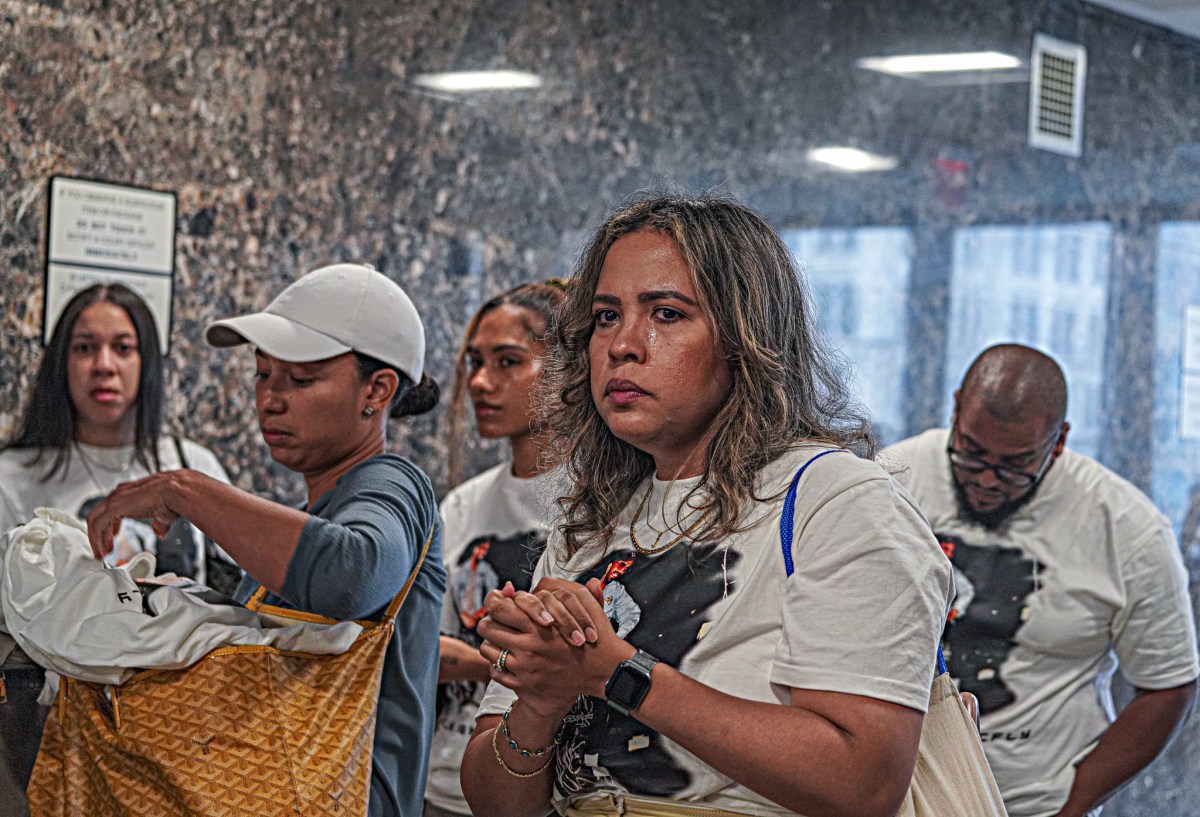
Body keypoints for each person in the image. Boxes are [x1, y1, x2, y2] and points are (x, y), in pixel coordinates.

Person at [458, 194, 954, 817]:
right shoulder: (589, 523)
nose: (623, 345)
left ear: (747, 338)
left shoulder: (838, 501)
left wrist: (616, 674)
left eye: (666, 313)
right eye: (606, 317)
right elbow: (495, 804)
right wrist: (541, 697)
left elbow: (863, 784)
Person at [83, 263, 447, 817]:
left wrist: (186, 490)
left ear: (377, 390)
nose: (270, 400)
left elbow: (352, 574)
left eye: (300, 381)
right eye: (262, 375)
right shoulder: (312, 520)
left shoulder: (390, 482)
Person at [886, 343, 1199, 817]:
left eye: (1014, 466)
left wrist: (1074, 802)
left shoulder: (1128, 528)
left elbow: (1168, 684)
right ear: (954, 411)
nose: (988, 480)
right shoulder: (889, 481)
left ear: (1058, 441)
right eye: (971, 454)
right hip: (897, 798)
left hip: (1032, 806)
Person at [0, 282, 230, 817]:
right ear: (60, 362)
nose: (104, 365)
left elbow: (239, 596)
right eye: (84, 348)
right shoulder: (13, 477)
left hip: (177, 742)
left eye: (123, 347)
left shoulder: (191, 468)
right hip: (42, 745)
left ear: (147, 362)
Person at [426, 280, 567, 817]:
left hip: (543, 788)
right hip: (442, 781)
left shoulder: (597, 505)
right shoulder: (462, 506)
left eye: (509, 362)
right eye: (474, 363)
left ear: (568, 369)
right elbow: (419, 643)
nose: (481, 383)